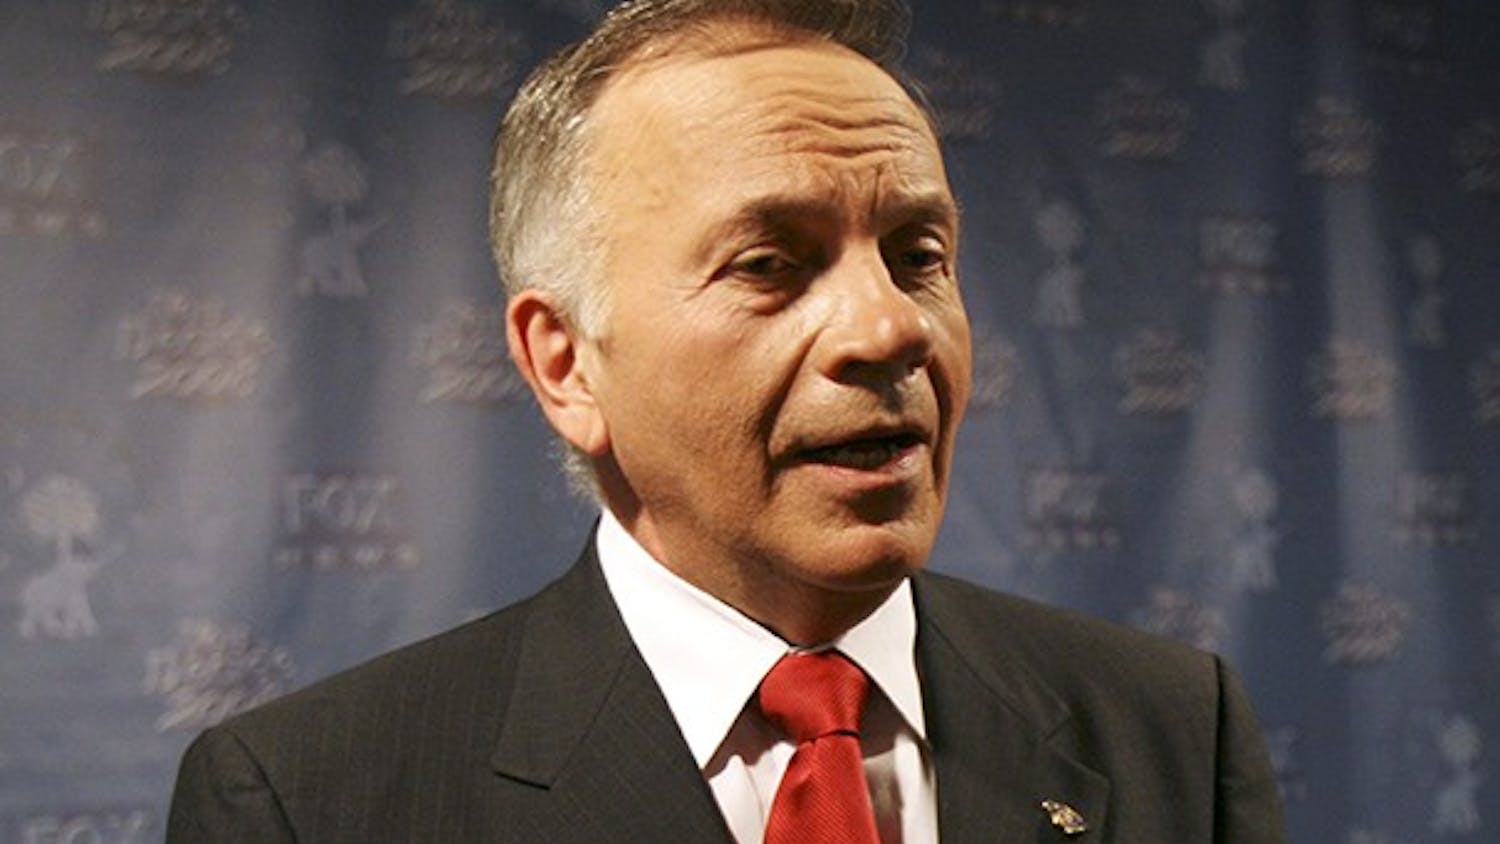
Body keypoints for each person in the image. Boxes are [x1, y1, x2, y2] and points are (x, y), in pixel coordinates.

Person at [166, 0, 1289, 841]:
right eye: (772, 264)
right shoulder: (308, 803)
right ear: (567, 367)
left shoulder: (1175, 733)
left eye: (919, 256)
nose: (886, 329)